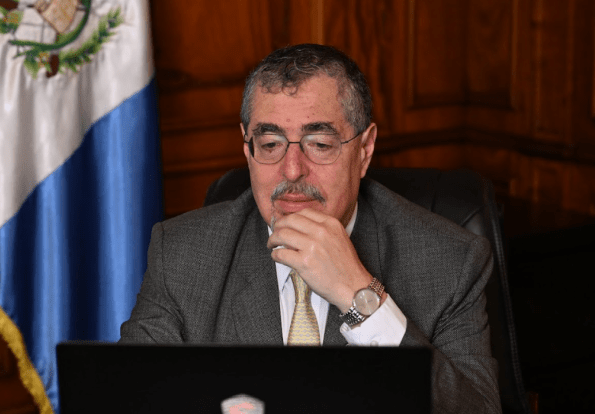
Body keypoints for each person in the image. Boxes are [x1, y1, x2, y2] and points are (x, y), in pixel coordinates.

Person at [120, 44, 501, 413]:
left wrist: (360, 296)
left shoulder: (450, 262)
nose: (291, 170)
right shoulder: (182, 254)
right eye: (270, 144)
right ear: (247, 148)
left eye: (319, 144)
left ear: (365, 150)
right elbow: (129, 398)